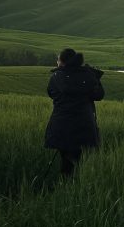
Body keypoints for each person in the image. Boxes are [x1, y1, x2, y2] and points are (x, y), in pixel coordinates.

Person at [44, 48, 104, 178]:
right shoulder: (88, 76)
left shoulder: (56, 77)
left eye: (58, 59)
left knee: (66, 159)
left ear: (63, 62)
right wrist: (95, 77)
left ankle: (66, 185)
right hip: (84, 126)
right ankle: (73, 185)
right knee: (77, 159)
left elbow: (51, 93)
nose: (57, 62)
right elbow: (99, 95)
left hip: (62, 126)